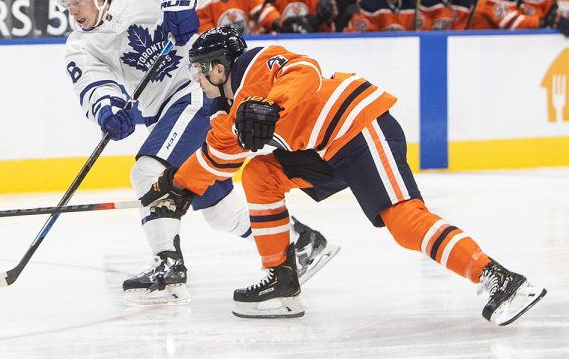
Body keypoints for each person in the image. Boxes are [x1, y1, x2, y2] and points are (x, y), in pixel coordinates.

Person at [139, 25, 547, 324]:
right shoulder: (229, 117)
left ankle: (498, 277)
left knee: (403, 221)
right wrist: (175, 186)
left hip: (357, 124)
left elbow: (305, 73)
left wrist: (271, 105)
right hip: (326, 149)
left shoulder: (257, 64)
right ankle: (282, 281)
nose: (196, 79)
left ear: (219, 67)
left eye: (199, 70)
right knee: (260, 174)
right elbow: (214, 159)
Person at [52, 0, 336, 305]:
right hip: (164, 114)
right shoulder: (80, 46)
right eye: (67, 5)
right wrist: (107, 110)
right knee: (219, 211)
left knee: (148, 170)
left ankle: (167, 263)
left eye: (77, 0)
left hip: (197, 93)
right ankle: (302, 240)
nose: (74, 11)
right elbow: (94, 86)